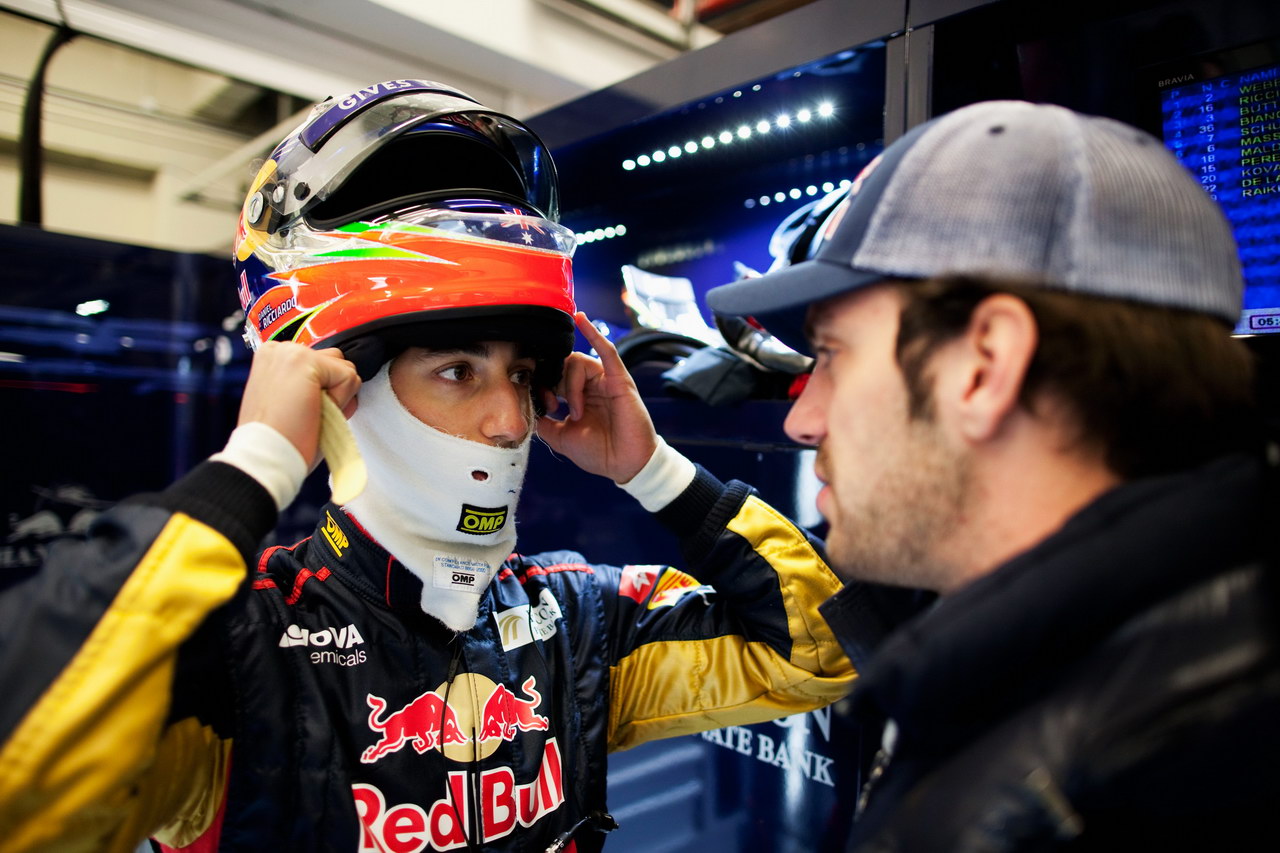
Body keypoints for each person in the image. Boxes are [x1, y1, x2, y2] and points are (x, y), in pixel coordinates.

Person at [0, 80, 855, 853]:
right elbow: (21, 782)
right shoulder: (240, 650)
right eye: (458, 370)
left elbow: (821, 650)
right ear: (337, 383)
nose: (508, 418)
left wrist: (655, 471)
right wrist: (252, 465)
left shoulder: (579, 618)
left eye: (522, 374)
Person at [707, 99, 1280, 850]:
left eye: (834, 354)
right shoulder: (1137, 689)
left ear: (985, 366)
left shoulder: (1105, 792)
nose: (800, 419)